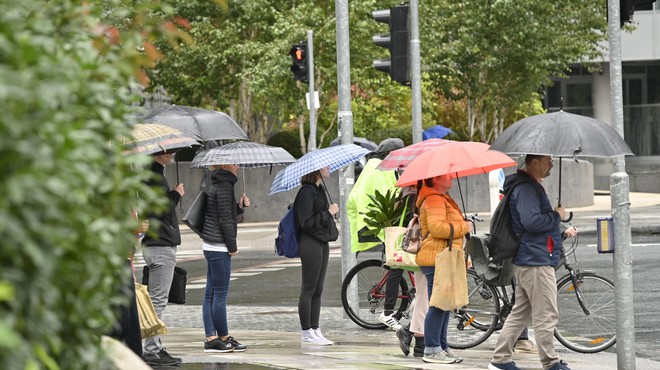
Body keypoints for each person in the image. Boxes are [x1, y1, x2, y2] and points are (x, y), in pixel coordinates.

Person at [489, 155, 575, 370]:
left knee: (520, 313)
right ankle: (551, 363)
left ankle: (501, 361)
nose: (552, 164)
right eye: (549, 160)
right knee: (546, 313)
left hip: (531, 257)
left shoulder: (527, 186)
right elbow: (532, 222)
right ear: (534, 162)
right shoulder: (526, 189)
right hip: (535, 259)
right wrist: (557, 215)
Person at [346, 138, 406, 330]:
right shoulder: (379, 168)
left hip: (384, 221)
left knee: (398, 263)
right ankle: (388, 312)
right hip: (385, 223)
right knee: (396, 265)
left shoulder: (378, 166)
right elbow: (390, 193)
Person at [415, 174, 470, 364]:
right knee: (439, 304)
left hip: (444, 256)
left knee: (446, 304)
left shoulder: (441, 198)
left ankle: (442, 347)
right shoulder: (433, 199)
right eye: (446, 176)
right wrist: (464, 226)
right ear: (436, 179)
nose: (451, 178)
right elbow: (437, 228)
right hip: (437, 257)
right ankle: (431, 349)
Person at [199, 164, 250, 353]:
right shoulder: (224, 186)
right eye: (234, 163)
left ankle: (215, 338)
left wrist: (239, 206)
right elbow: (224, 220)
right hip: (218, 246)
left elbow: (227, 214)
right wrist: (232, 246)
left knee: (211, 294)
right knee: (219, 294)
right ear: (223, 164)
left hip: (213, 244)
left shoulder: (221, 183)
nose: (237, 166)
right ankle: (220, 338)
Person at [141, 152, 184, 366]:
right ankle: (151, 350)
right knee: (158, 300)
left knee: (155, 299)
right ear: (161, 152)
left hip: (157, 244)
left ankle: (154, 347)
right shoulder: (153, 175)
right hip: (160, 244)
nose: (173, 153)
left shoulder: (152, 174)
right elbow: (158, 208)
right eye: (170, 150)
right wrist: (175, 194)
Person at [295, 166, 339, 345]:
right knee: (308, 289)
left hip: (322, 241)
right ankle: (306, 332)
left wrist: (329, 213)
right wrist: (328, 213)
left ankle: (315, 329)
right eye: (325, 167)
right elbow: (305, 222)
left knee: (318, 289)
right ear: (316, 170)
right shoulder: (306, 192)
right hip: (310, 242)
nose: (329, 169)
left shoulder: (320, 190)